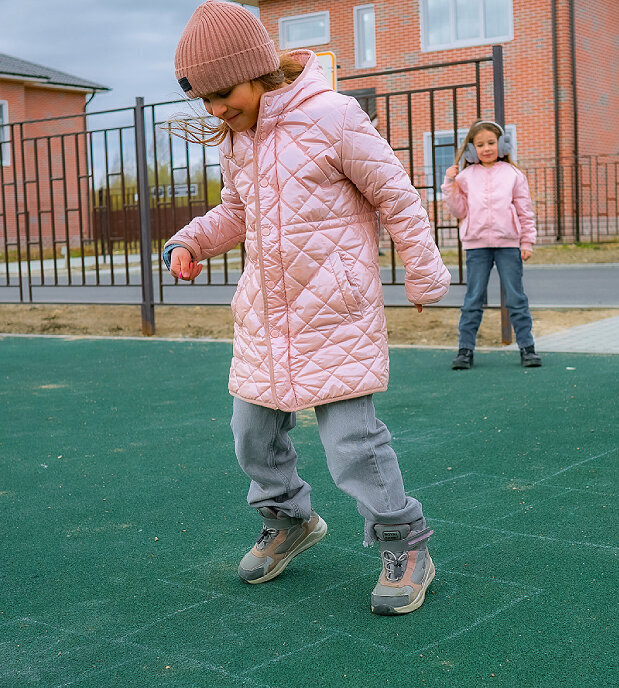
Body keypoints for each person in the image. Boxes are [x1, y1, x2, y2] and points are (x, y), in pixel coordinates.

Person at [162, 0, 450, 615]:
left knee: (353, 443)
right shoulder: (238, 140)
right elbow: (237, 212)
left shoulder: (333, 116)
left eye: (222, 93)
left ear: (257, 69)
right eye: (204, 99)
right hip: (267, 318)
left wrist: (424, 274)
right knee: (251, 434)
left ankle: (406, 544)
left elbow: (395, 197)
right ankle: (288, 519)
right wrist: (193, 239)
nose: (215, 110)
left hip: (334, 313)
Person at [441, 120, 542, 370]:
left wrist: (527, 241)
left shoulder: (514, 175)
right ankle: (465, 350)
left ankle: (527, 348)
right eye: (480, 144)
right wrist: (449, 184)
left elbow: (524, 211)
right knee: (473, 298)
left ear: (502, 144)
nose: (486, 148)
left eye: (491, 143)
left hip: (509, 245)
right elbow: (458, 210)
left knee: (516, 297)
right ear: (471, 150)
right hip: (477, 246)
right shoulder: (464, 177)